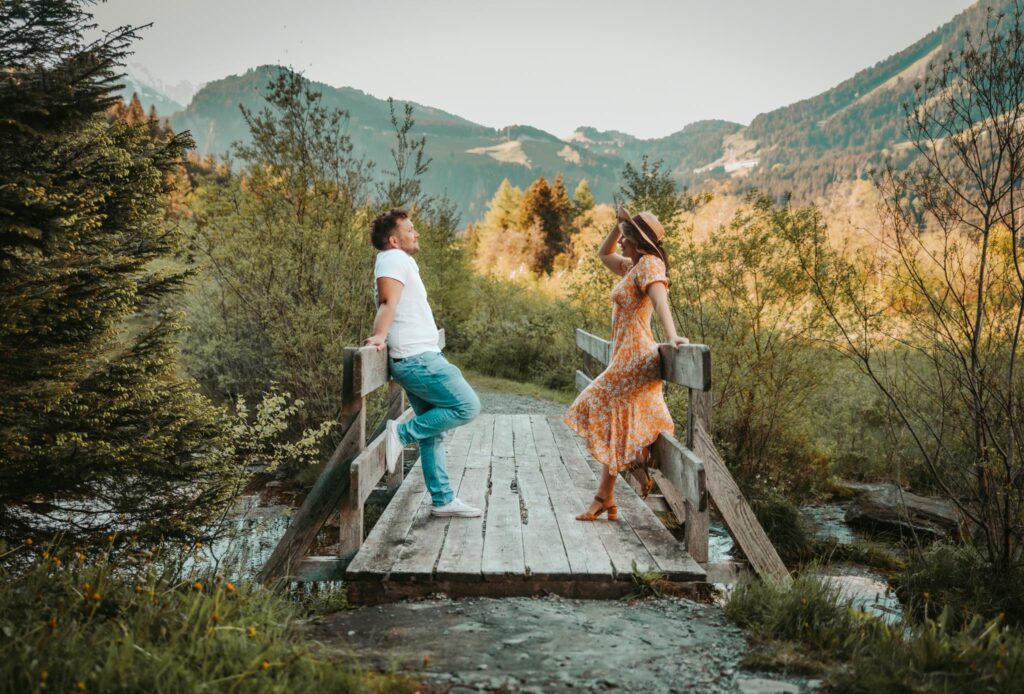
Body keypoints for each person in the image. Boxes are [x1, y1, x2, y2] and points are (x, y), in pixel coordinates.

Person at [564, 206, 688, 521]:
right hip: (624, 355)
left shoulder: (649, 264)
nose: (620, 242)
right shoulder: (631, 267)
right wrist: (620, 224)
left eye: (625, 236)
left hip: (636, 355)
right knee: (617, 421)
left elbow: (660, 300)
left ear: (637, 240)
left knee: (592, 402)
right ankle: (604, 497)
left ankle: (639, 455)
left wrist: (672, 336)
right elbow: (602, 253)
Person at [366, 209, 482, 518]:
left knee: (432, 433)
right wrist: (379, 335)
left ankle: (442, 499)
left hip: (416, 356)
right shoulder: (393, 258)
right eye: (410, 229)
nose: (416, 233)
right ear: (394, 239)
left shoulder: (397, 260)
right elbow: (387, 301)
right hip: (418, 358)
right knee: (467, 406)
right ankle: (401, 434)